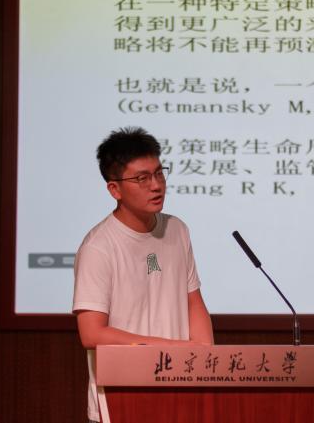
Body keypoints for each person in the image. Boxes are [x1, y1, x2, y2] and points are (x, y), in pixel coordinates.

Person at [72, 127, 214, 422]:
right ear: (115, 189)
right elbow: (92, 333)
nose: (156, 185)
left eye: (159, 174)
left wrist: (205, 357)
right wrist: (174, 348)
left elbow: (193, 302)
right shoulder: (99, 247)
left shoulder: (177, 229)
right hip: (122, 399)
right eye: (142, 178)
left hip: (180, 391)